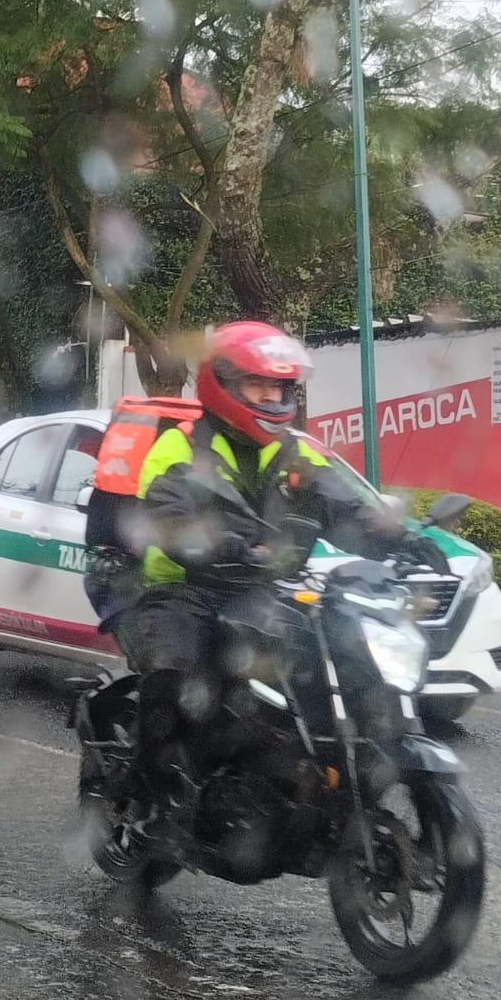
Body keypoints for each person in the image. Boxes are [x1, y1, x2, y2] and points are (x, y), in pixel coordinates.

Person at [113, 321, 449, 838]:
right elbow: (171, 516)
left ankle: (299, 778)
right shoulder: (177, 449)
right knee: (175, 674)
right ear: (221, 384)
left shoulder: (296, 453)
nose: (271, 398)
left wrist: (404, 540)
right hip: (183, 589)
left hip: (262, 589)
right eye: (258, 387)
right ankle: (150, 793)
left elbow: (350, 507)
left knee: (328, 658)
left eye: (279, 388)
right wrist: (221, 546)